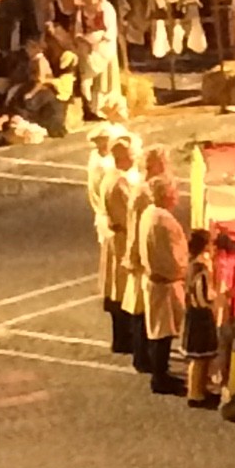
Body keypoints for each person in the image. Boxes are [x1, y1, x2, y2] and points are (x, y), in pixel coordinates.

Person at [122, 145, 172, 377]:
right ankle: (143, 356)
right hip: (144, 258)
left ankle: (144, 355)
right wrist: (135, 257)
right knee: (143, 309)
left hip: (143, 255)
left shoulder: (145, 189)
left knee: (144, 308)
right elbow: (137, 228)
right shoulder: (144, 193)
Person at [139, 176, 188, 395]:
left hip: (156, 280)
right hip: (164, 283)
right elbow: (170, 255)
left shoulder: (150, 214)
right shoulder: (162, 221)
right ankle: (160, 377)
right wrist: (183, 272)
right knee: (162, 331)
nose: (176, 196)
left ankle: (161, 372)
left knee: (161, 329)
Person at [98, 130, 138, 354]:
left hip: (115, 239)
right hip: (122, 241)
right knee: (122, 290)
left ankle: (122, 338)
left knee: (117, 289)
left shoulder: (110, 178)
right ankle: (124, 339)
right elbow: (129, 216)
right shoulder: (119, 182)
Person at [182, 229, 220, 409]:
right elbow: (203, 298)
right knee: (199, 358)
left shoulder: (191, 264)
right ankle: (196, 394)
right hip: (200, 317)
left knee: (199, 358)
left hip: (193, 315)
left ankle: (198, 390)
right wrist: (219, 297)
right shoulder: (200, 269)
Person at [74, 0, 119, 120]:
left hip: (104, 47)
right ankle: (89, 106)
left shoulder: (107, 8)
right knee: (86, 74)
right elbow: (78, 31)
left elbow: (111, 30)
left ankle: (103, 107)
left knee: (104, 79)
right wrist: (84, 41)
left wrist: (98, 42)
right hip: (88, 48)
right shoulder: (81, 12)